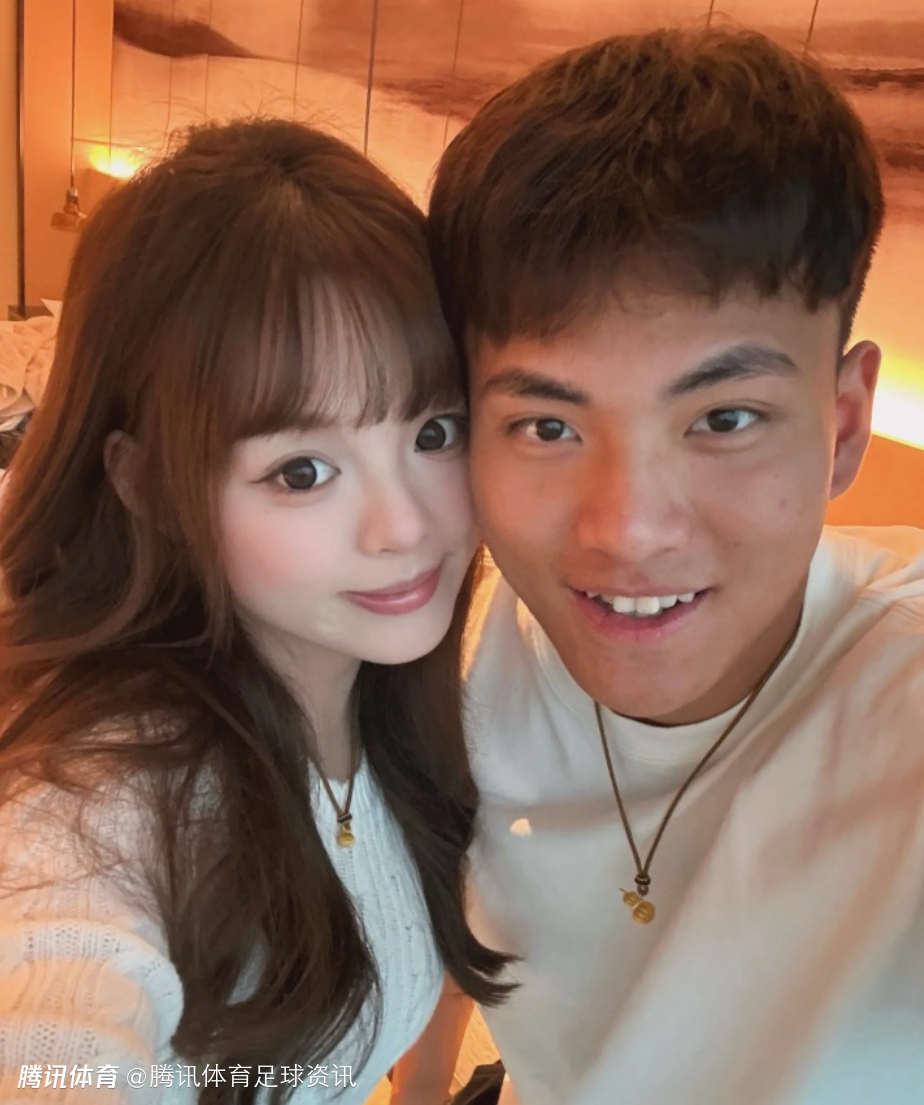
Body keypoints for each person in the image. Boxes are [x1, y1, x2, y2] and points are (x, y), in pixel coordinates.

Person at [426, 26, 924, 1105]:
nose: (629, 530)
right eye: (548, 427)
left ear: (842, 426)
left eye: (725, 417)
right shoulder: (448, 655)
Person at [0, 117, 511, 1104]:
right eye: (302, 470)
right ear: (149, 484)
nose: (404, 526)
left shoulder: (400, 693)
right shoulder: (101, 796)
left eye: (434, 430)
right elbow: (57, 1022)